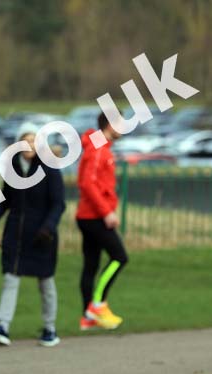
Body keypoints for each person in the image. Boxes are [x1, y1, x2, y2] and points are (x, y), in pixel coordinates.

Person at [0, 122, 66, 347]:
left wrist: (48, 227)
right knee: (10, 278)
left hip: (42, 235)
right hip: (15, 234)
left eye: (34, 140)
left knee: (45, 282)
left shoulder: (50, 168)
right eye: (26, 140)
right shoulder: (13, 169)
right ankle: (3, 327)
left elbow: (58, 204)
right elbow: (5, 200)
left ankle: (50, 329)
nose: (29, 144)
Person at [75, 112, 127, 330]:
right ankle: (97, 305)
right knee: (119, 257)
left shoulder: (99, 146)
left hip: (88, 215)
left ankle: (88, 316)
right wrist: (106, 212)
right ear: (110, 124)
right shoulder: (98, 149)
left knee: (91, 265)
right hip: (94, 217)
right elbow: (88, 183)